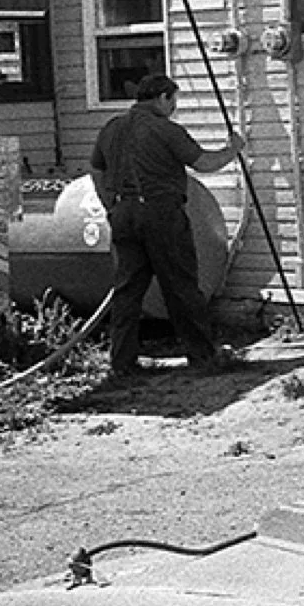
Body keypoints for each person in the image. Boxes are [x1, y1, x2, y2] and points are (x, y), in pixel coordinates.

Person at [90, 73, 245, 378]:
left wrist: (112, 205)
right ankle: (202, 356)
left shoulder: (111, 128)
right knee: (181, 285)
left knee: (128, 290)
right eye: (173, 100)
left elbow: (96, 171)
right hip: (161, 214)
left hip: (123, 213)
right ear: (162, 97)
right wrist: (233, 148)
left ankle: (122, 362)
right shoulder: (166, 130)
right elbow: (204, 164)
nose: (174, 107)